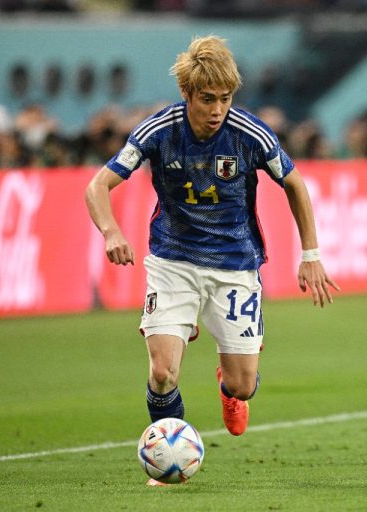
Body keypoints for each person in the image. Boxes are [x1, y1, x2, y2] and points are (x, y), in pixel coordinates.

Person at [85, 35, 339, 483]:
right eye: (207, 99)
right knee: (163, 372)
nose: (218, 108)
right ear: (187, 94)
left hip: (234, 267)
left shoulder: (249, 134)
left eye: (225, 98)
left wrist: (311, 254)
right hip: (173, 261)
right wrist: (110, 231)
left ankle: (229, 385)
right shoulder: (158, 131)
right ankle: (168, 458)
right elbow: (98, 186)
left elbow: (296, 184)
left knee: (243, 384)